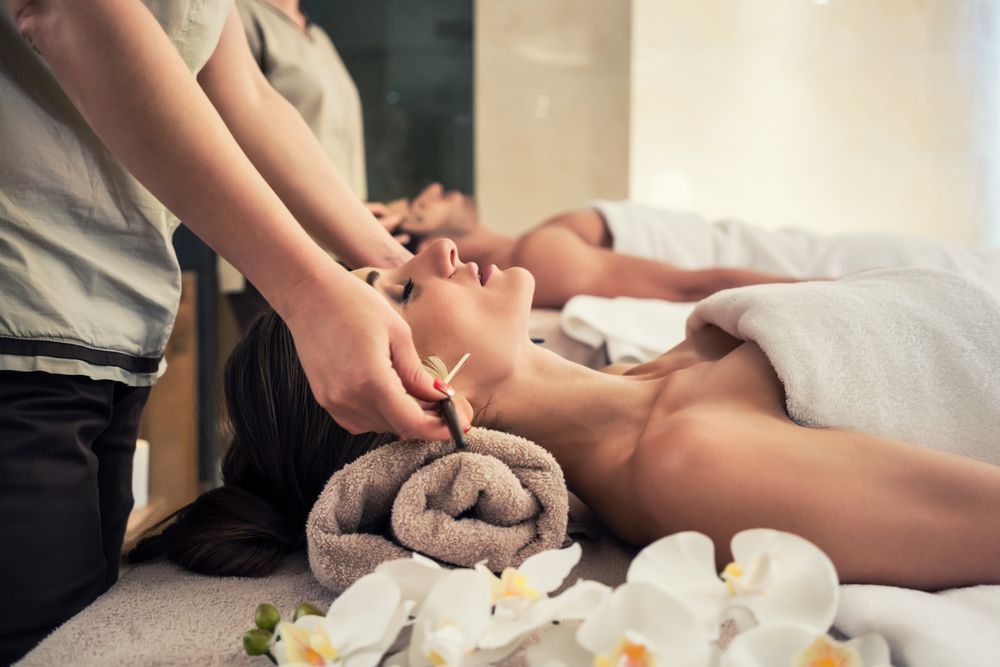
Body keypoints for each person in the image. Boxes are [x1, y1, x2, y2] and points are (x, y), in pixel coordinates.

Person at [0, 1, 463, 662]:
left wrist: (396, 265)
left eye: (404, 295)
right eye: (403, 294)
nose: (451, 257)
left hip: (112, 329)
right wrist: (312, 286)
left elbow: (246, 99)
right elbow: (70, 12)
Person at [135, 239, 1000, 592]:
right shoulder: (685, 459)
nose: (435, 250)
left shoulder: (647, 379)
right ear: (423, 392)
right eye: (402, 291)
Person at [376, 184, 1000, 307]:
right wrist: (870, 295)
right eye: (417, 204)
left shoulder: (543, 239)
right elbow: (697, 284)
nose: (433, 189)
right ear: (416, 239)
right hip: (811, 270)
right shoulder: (542, 258)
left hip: (800, 253)